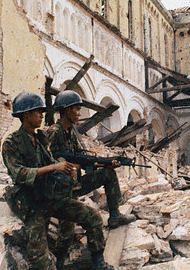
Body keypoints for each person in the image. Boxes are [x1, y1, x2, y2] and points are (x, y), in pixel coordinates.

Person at [2, 91, 126, 270]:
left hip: (52, 196)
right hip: (32, 203)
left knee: (92, 217)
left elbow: (54, 162)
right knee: (38, 251)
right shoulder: (12, 142)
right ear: (25, 115)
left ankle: (98, 265)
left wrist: (70, 169)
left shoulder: (40, 139)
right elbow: (19, 174)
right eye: (37, 112)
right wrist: (55, 167)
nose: (42, 115)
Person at [46, 90, 135, 261]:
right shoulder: (54, 132)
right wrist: (66, 165)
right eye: (77, 109)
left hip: (74, 183)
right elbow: (46, 159)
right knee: (66, 233)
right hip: (59, 190)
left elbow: (83, 159)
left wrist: (104, 163)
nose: (79, 113)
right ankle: (58, 265)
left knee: (108, 173)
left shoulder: (72, 132)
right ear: (67, 110)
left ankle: (115, 215)